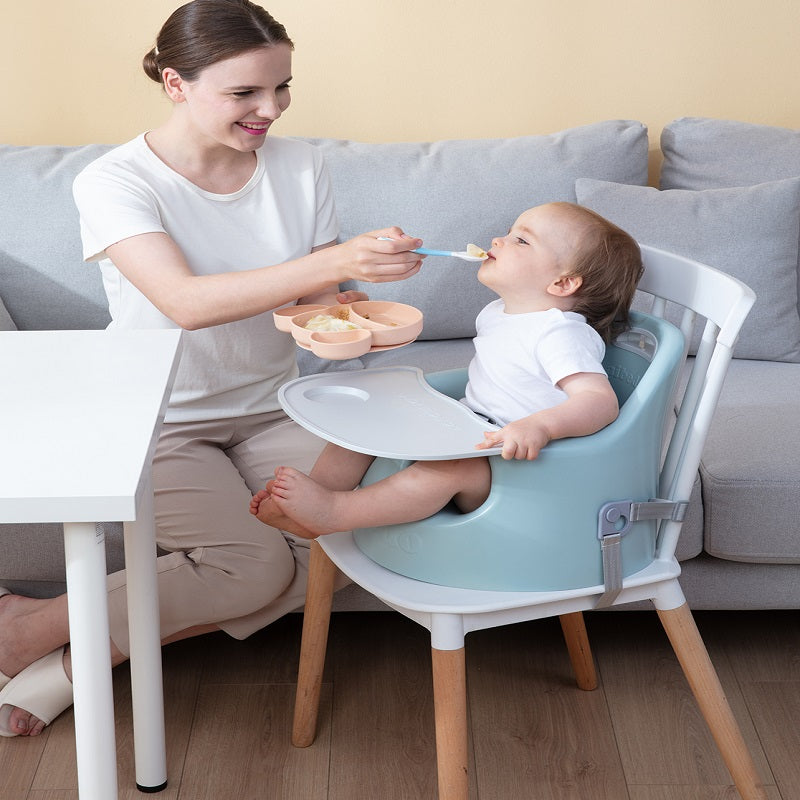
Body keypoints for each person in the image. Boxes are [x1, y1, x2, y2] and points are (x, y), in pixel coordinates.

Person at [0, 0, 425, 737]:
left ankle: (52, 646)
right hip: (154, 416)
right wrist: (332, 260)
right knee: (257, 568)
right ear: (175, 83)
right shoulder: (115, 182)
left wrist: (352, 303)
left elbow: (311, 296)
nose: (272, 109)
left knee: (345, 535)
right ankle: (42, 643)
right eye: (245, 93)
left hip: (272, 403)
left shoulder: (300, 164)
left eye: (282, 86)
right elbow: (184, 303)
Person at [249, 202, 643, 538]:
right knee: (372, 419)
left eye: (521, 240)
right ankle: (311, 501)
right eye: (508, 232)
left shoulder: (560, 333)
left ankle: (335, 513)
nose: (497, 241)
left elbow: (599, 402)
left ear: (562, 282)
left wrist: (539, 426)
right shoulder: (502, 313)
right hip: (477, 431)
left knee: (449, 470)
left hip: (526, 468)